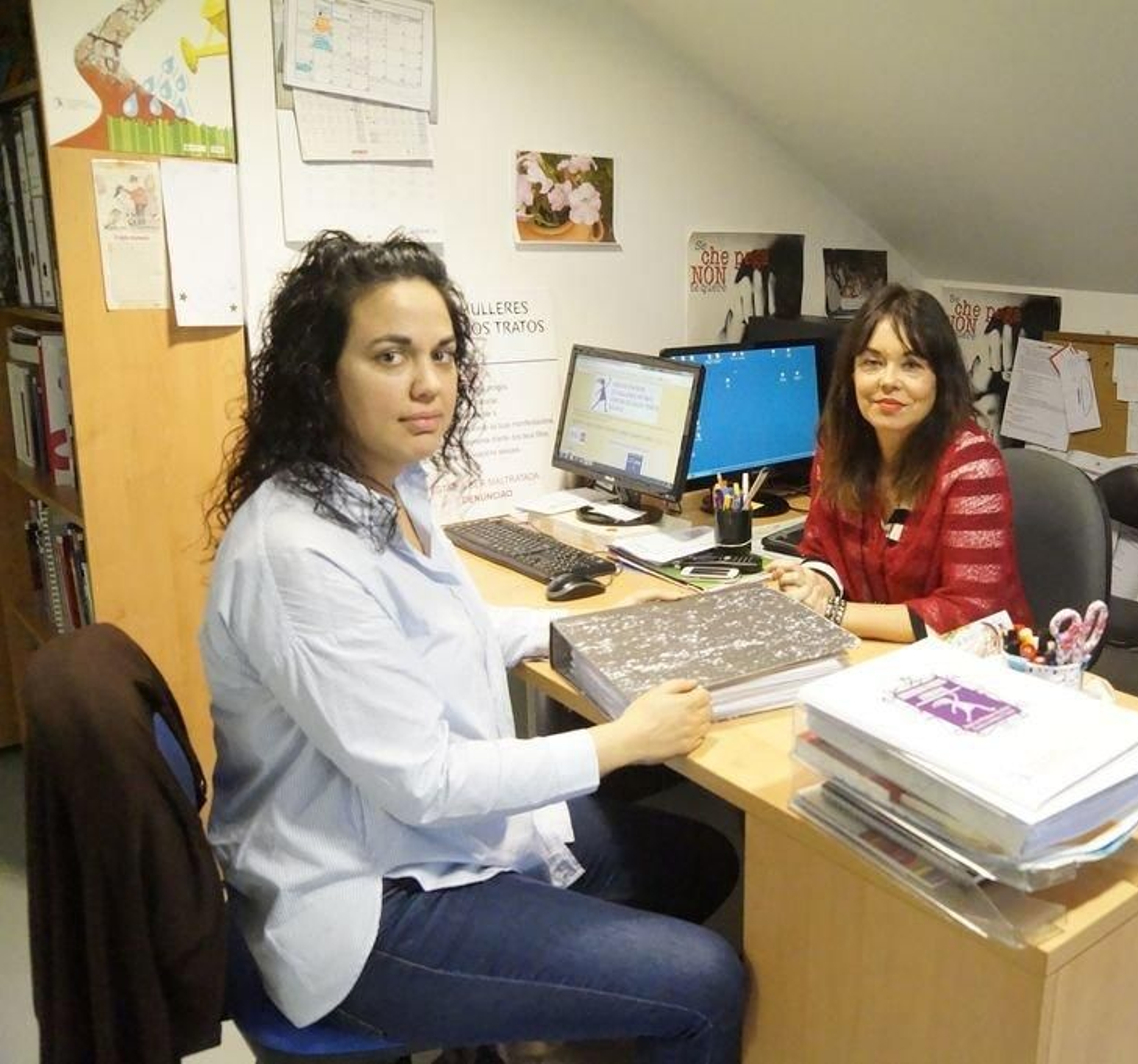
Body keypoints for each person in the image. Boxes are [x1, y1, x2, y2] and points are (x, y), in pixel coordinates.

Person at [202, 231, 745, 1061]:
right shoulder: (295, 549)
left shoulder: (391, 486)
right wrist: (621, 743)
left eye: (443, 354)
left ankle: (507, 1019)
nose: (429, 384)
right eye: (390, 356)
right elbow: (426, 780)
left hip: (429, 842)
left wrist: (594, 630)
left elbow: (448, 630)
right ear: (321, 375)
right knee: (707, 982)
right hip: (368, 906)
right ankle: (499, 1009)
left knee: (698, 857)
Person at [773, 284, 1031, 641]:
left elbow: (968, 612)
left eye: (911, 365)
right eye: (872, 363)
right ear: (851, 373)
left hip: (978, 663)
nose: (888, 381)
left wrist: (833, 611)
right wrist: (813, 584)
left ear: (940, 379)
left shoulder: (972, 465)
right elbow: (821, 550)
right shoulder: (836, 446)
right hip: (873, 653)